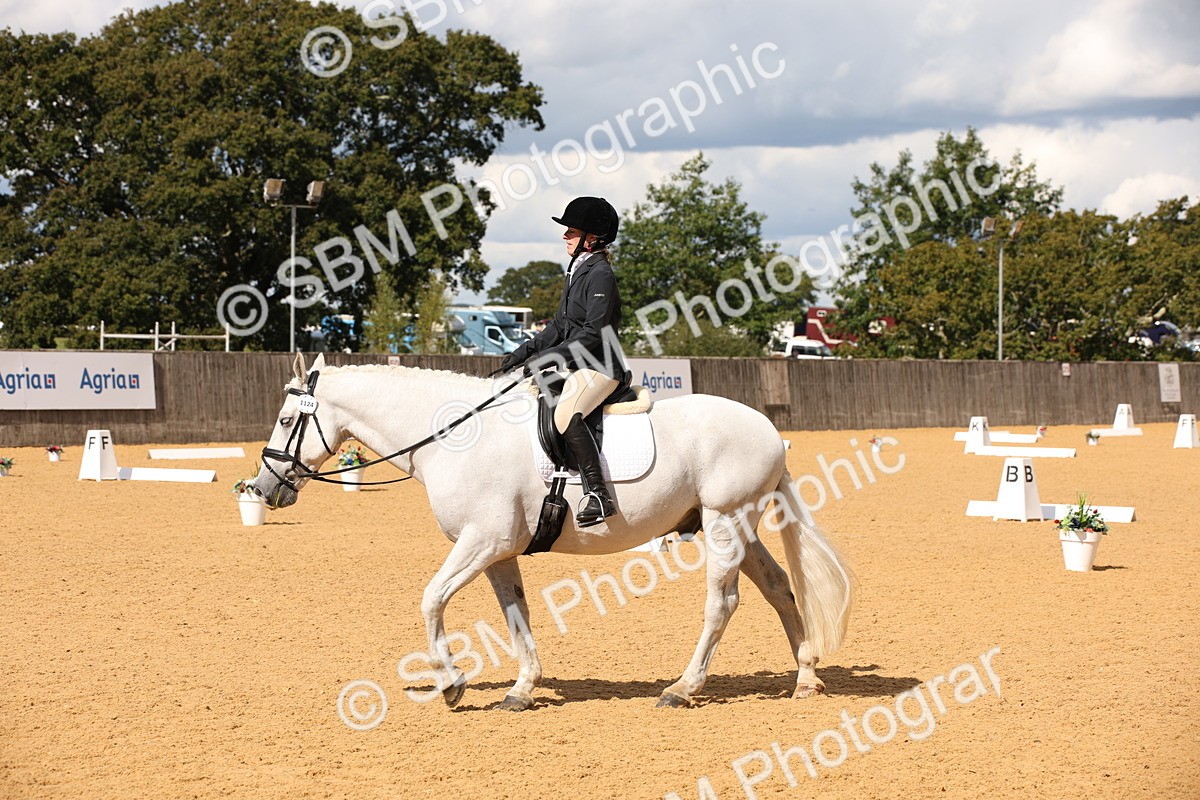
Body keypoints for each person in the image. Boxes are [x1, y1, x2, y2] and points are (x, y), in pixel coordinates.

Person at [500, 196, 625, 527]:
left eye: (571, 231)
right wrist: (523, 353)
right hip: (578, 366)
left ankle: (598, 495)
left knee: (567, 412)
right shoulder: (578, 272)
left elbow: (593, 333)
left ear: (592, 237)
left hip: (601, 368)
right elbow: (559, 325)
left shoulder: (601, 275)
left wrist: (549, 357)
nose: (564, 236)